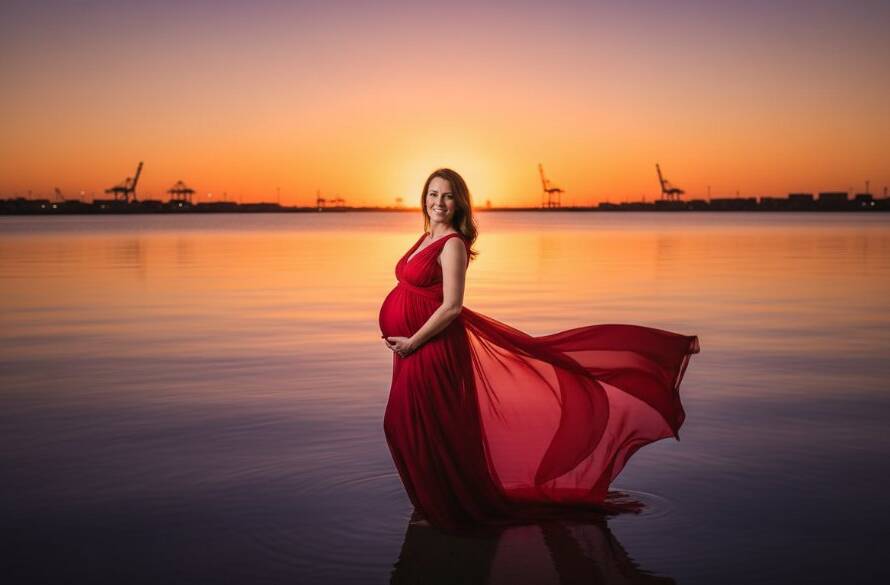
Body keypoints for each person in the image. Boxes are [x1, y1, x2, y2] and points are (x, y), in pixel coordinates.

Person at [379, 168, 700, 533]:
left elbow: (452, 306)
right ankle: (435, 505)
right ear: (424, 198)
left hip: (430, 349)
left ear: (459, 203)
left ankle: (448, 510)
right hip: (409, 349)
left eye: (447, 195)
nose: (439, 202)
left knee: (417, 427)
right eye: (433, 194)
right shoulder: (425, 236)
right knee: (407, 426)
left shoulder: (451, 244)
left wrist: (413, 341)